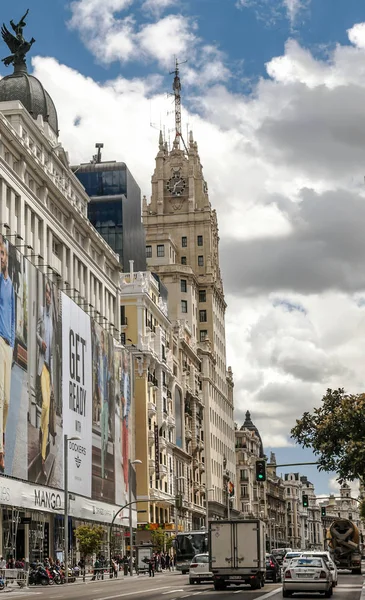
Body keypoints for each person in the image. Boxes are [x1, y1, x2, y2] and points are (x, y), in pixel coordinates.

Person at [0, 236, 15, 473]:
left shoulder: (9, 284)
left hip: (7, 344)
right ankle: (1, 450)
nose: (0, 257)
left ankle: (1, 441)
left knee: (7, 401)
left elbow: (11, 314)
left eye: (3, 253)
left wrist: (11, 339)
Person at [36, 281, 54, 478]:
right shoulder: (42, 312)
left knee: (48, 412)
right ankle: (41, 456)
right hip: (42, 366)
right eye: (47, 293)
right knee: (45, 406)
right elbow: (36, 332)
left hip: (50, 370)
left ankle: (42, 453)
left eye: (50, 293)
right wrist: (41, 342)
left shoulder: (52, 321)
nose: (48, 296)